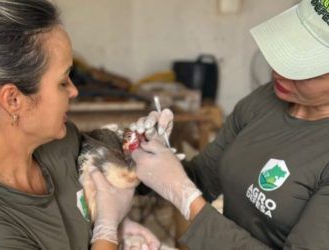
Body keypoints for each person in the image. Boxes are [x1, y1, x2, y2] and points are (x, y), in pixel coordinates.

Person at [127, 0, 329, 249]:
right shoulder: (264, 101)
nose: (279, 71)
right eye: (283, 52)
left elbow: (187, 192)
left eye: (302, 68)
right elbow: (202, 176)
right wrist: (146, 159)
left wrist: (187, 199)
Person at [0, 1, 160, 249]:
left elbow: (103, 149)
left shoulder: (59, 144)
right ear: (13, 100)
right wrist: (106, 230)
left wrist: (138, 142)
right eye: (63, 82)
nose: (74, 91)